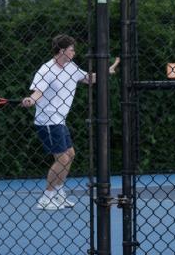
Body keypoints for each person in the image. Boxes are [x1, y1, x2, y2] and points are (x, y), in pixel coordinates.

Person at [22, 34, 120, 210]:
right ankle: (46, 197)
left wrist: (107, 71)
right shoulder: (46, 70)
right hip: (48, 121)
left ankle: (58, 193)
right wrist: (31, 100)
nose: (74, 52)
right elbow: (38, 92)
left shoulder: (70, 67)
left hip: (60, 120)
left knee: (70, 155)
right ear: (61, 51)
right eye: (71, 49)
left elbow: (88, 79)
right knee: (62, 157)